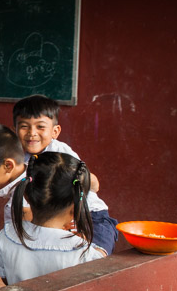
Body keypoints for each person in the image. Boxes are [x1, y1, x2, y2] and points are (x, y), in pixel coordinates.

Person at [13, 94, 118, 253]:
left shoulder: (61, 153)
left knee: (96, 260)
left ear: (55, 131)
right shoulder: (17, 159)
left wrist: (75, 221)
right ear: (15, 129)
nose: (31, 133)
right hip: (52, 220)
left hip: (90, 215)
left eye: (40, 127)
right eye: (24, 126)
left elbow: (93, 185)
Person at [0, 152, 107, 285]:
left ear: (26, 196)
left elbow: (6, 279)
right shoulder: (81, 252)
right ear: (76, 206)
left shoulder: (6, 235)